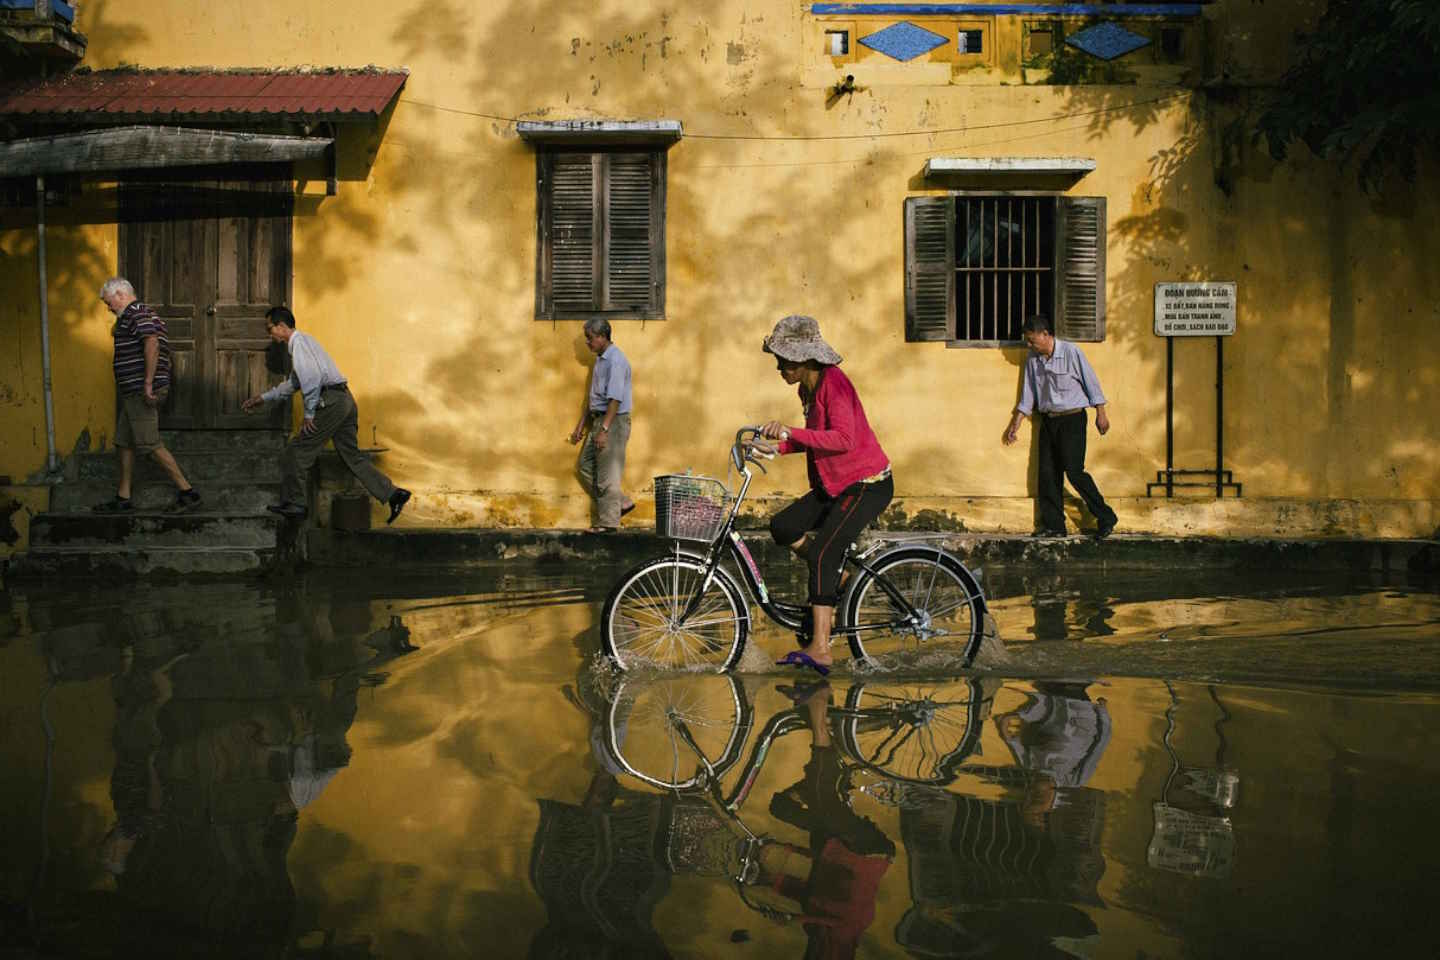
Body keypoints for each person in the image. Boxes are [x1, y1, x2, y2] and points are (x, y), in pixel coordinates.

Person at [758, 314, 893, 675]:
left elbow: (844, 440)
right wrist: (776, 449)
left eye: (783, 360)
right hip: (835, 485)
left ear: (804, 359)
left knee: (822, 556)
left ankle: (821, 648)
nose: (779, 367)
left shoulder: (835, 384)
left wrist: (789, 433)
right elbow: (816, 438)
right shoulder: (808, 389)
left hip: (867, 483)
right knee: (783, 526)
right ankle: (842, 580)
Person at [240, 306, 410, 523]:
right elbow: (295, 383)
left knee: (297, 450)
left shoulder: (299, 345)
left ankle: (296, 504)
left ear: (282, 326)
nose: (269, 333)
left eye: (269, 328)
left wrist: (309, 413)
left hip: (330, 402)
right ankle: (394, 494)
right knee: (352, 455)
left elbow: (311, 378)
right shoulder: (305, 342)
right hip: (344, 399)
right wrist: (264, 398)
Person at [1002, 314, 1118, 539]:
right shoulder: (1032, 360)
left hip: (1072, 419)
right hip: (1048, 420)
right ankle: (1055, 526)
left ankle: (1105, 517)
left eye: (1032, 340)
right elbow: (1028, 397)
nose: (1030, 345)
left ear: (1046, 334)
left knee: (1074, 472)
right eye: (1028, 341)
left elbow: (1091, 382)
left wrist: (1101, 414)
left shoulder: (1071, 352)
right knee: (1047, 474)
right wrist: (1014, 425)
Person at [91, 277, 201, 514]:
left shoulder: (136, 312)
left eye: (108, 302)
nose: (108, 308)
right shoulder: (141, 314)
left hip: (141, 392)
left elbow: (151, 342)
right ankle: (123, 497)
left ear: (120, 294)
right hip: (133, 392)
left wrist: (148, 384)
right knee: (124, 442)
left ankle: (188, 492)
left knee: (149, 444)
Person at [567, 318, 635, 533]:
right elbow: (593, 397)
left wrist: (604, 429)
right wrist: (581, 426)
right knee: (585, 466)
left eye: (590, 338)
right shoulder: (601, 359)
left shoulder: (616, 361)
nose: (587, 343)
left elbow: (614, 399)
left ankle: (608, 524)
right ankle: (620, 503)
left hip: (612, 422)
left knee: (608, 475)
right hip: (599, 420)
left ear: (602, 336)